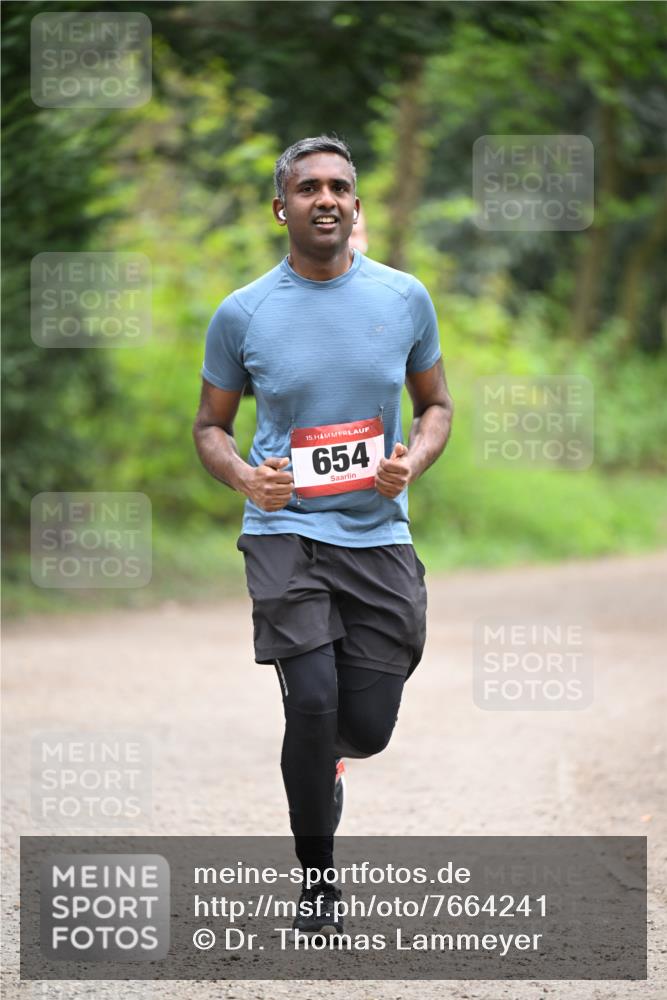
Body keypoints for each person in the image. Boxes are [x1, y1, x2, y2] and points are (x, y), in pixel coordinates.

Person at [193, 135, 453, 934]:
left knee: (363, 726)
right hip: (283, 532)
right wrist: (244, 477)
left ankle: (327, 760)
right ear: (282, 208)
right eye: (308, 188)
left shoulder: (403, 298)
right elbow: (210, 428)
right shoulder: (243, 314)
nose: (326, 198)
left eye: (340, 186)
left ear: (356, 206)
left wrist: (413, 458)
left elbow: (436, 406)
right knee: (309, 701)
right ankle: (317, 882)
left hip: (377, 537)